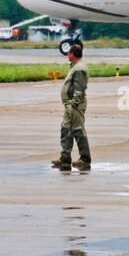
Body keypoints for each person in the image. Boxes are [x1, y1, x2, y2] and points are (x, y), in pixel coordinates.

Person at [52, 42, 91, 171]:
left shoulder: (79, 68)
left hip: (75, 105)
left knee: (78, 130)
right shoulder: (75, 67)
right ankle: (65, 158)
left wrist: (74, 103)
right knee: (66, 129)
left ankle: (85, 159)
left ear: (72, 54)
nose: (67, 54)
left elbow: (79, 88)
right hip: (69, 105)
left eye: (69, 52)